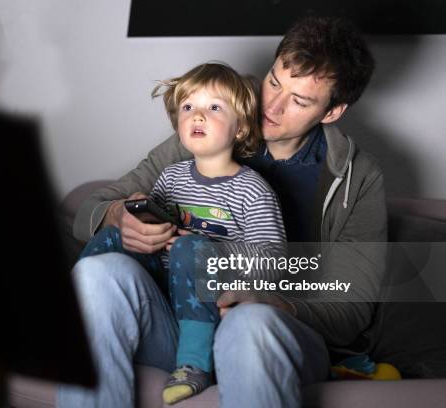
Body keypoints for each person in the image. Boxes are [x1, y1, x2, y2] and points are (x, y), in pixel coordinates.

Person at [59, 15, 387, 408]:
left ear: (332, 112)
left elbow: (351, 309)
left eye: (298, 101)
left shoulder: (357, 177)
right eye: (274, 81)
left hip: (274, 332)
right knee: (98, 274)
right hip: (181, 329)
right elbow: (90, 211)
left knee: (250, 322)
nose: (272, 106)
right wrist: (117, 215)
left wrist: (276, 303)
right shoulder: (216, 120)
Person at [76, 62, 286, 404]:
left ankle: (194, 365)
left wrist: (210, 249)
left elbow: (274, 261)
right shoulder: (170, 177)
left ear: (240, 128)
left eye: (213, 107)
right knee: (115, 235)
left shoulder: (253, 189)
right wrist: (139, 222)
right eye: (188, 107)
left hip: (212, 319)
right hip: (162, 308)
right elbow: (146, 241)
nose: (197, 116)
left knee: (192, 250)